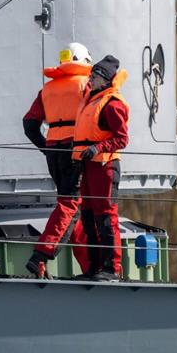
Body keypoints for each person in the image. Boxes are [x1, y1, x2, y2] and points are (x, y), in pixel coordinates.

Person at [23, 43, 93, 278]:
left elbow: (29, 124)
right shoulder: (87, 85)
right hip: (77, 150)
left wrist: (45, 147)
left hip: (54, 150)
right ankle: (40, 256)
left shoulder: (48, 89)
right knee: (71, 204)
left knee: (74, 208)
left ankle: (90, 265)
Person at [72, 55, 129, 282]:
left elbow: (122, 138)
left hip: (105, 167)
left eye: (94, 76)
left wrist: (97, 148)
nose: (90, 79)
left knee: (105, 218)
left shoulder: (112, 104)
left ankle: (111, 268)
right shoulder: (92, 100)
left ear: (104, 80)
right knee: (88, 217)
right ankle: (94, 267)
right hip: (89, 166)